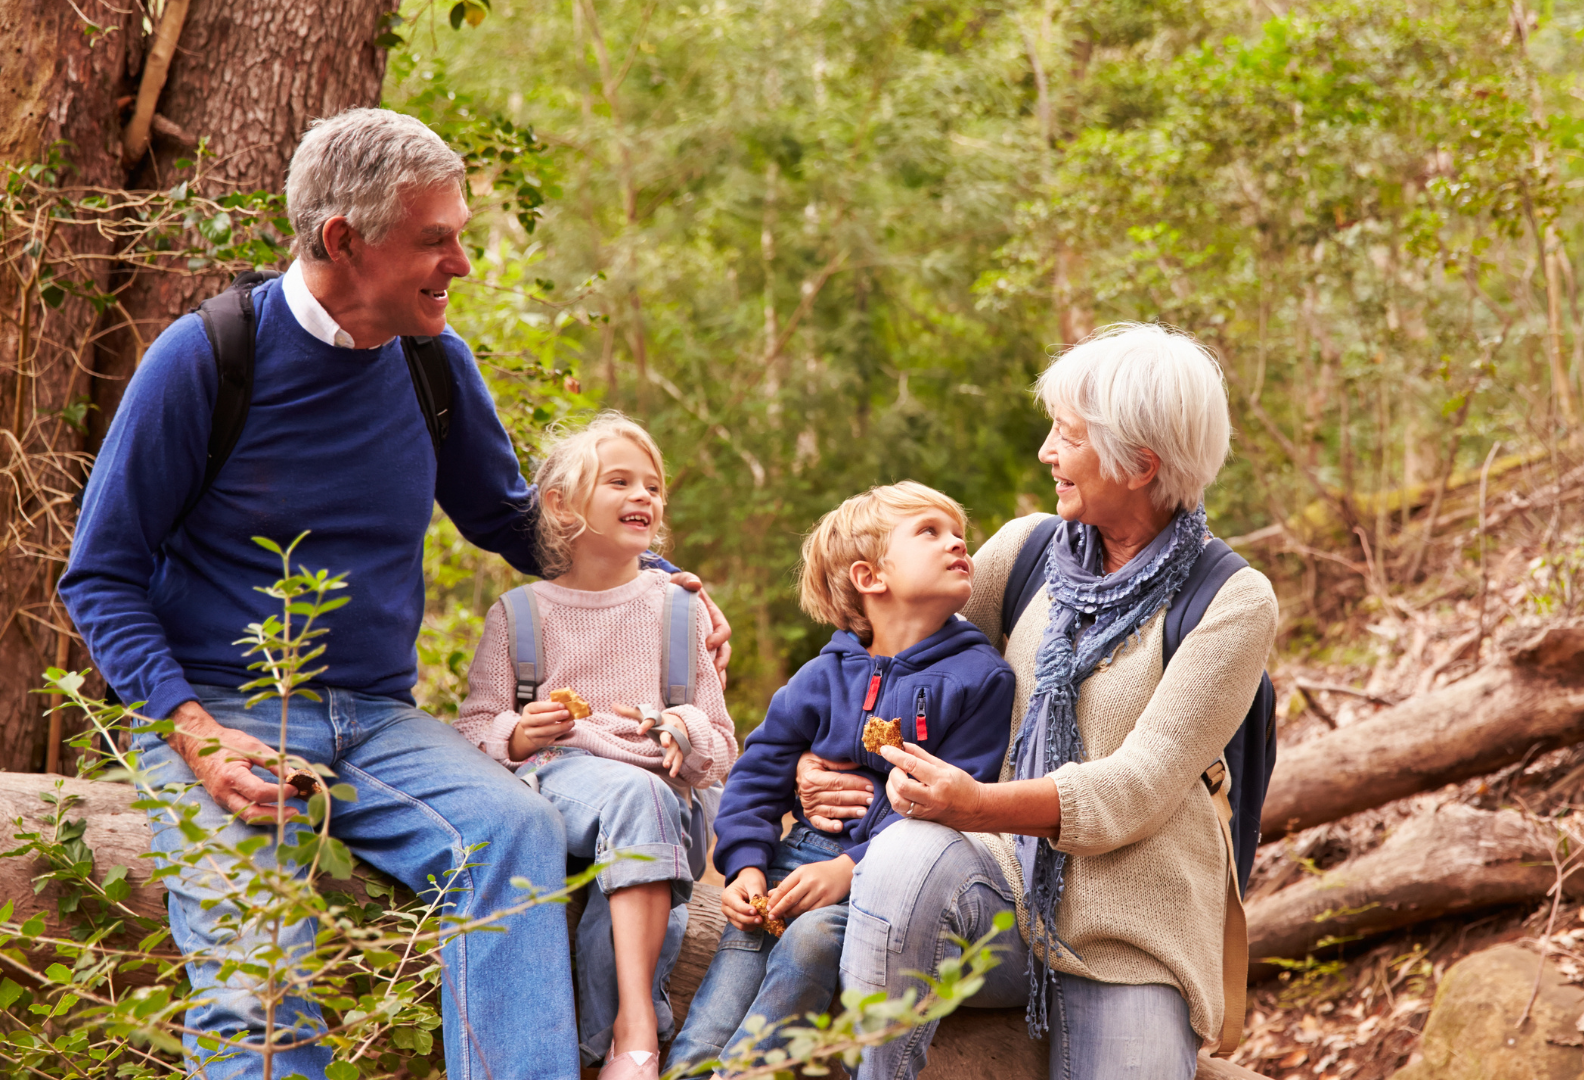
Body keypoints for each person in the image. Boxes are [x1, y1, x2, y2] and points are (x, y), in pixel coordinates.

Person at [58, 108, 730, 1080]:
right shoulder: (206, 359)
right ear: (345, 240)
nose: (461, 262)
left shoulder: (432, 364)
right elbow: (102, 575)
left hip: (377, 720)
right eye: (436, 240)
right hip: (230, 710)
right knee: (260, 984)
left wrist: (666, 586)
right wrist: (198, 737)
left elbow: (511, 521)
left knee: (517, 834)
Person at [807, 324, 1280, 1080]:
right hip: (996, 892)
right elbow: (901, 667)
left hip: (1132, 935)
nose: (1046, 453)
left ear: (1138, 464)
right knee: (902, 855)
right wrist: (813, 749)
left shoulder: (1232, 599)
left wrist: (976, 802)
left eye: (1066, 436)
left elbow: (1139, 787)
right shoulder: (1028, 549)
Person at [666, 482, 1016, 1074]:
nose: (957, 540)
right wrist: (746, 865)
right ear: (869, 577)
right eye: (929, 531)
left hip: (884, 883)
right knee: (715, 1012)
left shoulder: (981, 679)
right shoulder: (822, 675)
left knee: (812, 941)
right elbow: (759, 770)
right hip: (787, 863)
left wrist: (847, 869)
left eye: (959, 531)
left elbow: (953, 806)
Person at [456, 413, 736, 1080]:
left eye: (654, 486)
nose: (644, 496)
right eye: (620, 482)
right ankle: (636, 1025)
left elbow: (721, 745)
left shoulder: (679, 610)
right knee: (633, 798)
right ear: (560, 504)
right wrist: (519, 732)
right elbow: (473, 729)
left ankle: (591, 1049)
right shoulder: (521, 614)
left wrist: (682, 731)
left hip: (666, 801)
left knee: (645, 798)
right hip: (561, 782)